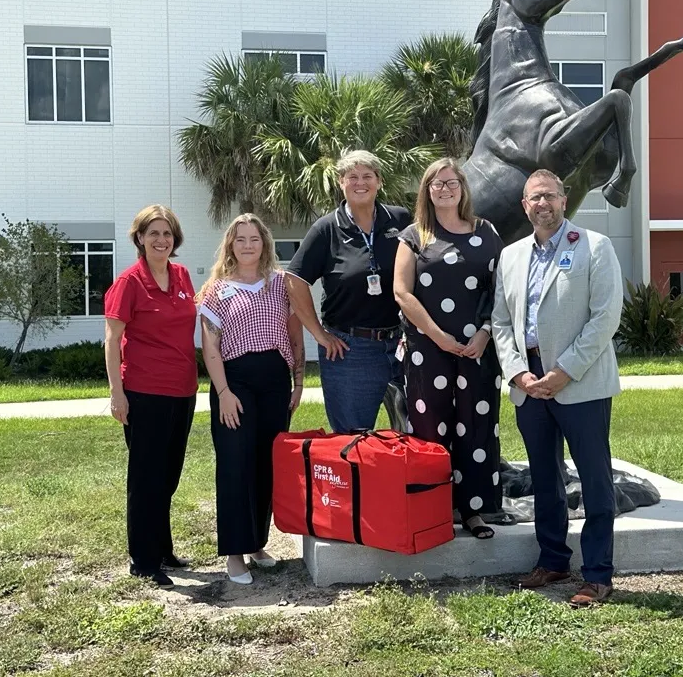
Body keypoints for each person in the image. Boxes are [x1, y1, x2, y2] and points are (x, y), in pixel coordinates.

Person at [491, 169, 624, 607]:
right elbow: (501, 322)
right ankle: (552, 560)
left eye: (549, 195)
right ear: (524, 206)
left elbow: (605, 318)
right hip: (528, 383)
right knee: (544, 477)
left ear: (564, 200)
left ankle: (598, 574)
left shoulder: (594, 246)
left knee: (594, 478)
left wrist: (565, 371)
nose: (542, 204)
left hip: (580, 381)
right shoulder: (511, 256)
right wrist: (517, 373)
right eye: (534, 198)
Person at [393, 158, 504, 539]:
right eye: (437, 183)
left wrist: (485, 333)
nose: (445, 189)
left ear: (462, 188)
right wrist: (438, 336)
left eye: (451, 182)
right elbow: (402, 293)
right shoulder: (413, 236)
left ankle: (474, 511)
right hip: (428, 349)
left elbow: (501, 289)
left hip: (477, 350)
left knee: (476, 427)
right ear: (427, 190)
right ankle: (433, 510)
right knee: (430, 429)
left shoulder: (486, 232)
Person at [198, 214, 305, 585]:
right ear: (230, 244)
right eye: (240, 239)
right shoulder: (216, 289)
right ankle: (235, 553)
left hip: (275, 381)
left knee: (266, 463)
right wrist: (223, 392)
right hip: (235, 383)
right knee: (236, 464)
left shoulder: (281, 284)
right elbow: (210, 347)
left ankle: (257, 542)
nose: (247, 245)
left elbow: (295, 335)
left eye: (254, 239)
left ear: (264, 244)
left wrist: (298, 383)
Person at [104, 205, 198, 588]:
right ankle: (143, 560)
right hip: (144, 393)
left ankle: (162, 549)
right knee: (146, 478)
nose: (161, 240)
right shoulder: (129, 282)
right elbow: (112, 341)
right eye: (154, 233)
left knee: (168, 475)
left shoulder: (182, 275)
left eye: (167, 233)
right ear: (140, 238)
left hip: (184, 390)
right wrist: (117, 393)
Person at [285, 150, 410, 433]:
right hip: (350, 351)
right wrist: (319, 334)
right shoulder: (327, 228)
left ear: (379, 181)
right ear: (341, 182)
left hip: (402, 344)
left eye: (367, 176)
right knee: (353, 438)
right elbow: (294, 279)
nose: (360, 183)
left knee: (413, 432)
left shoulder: (400, 220)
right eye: (352, 177)